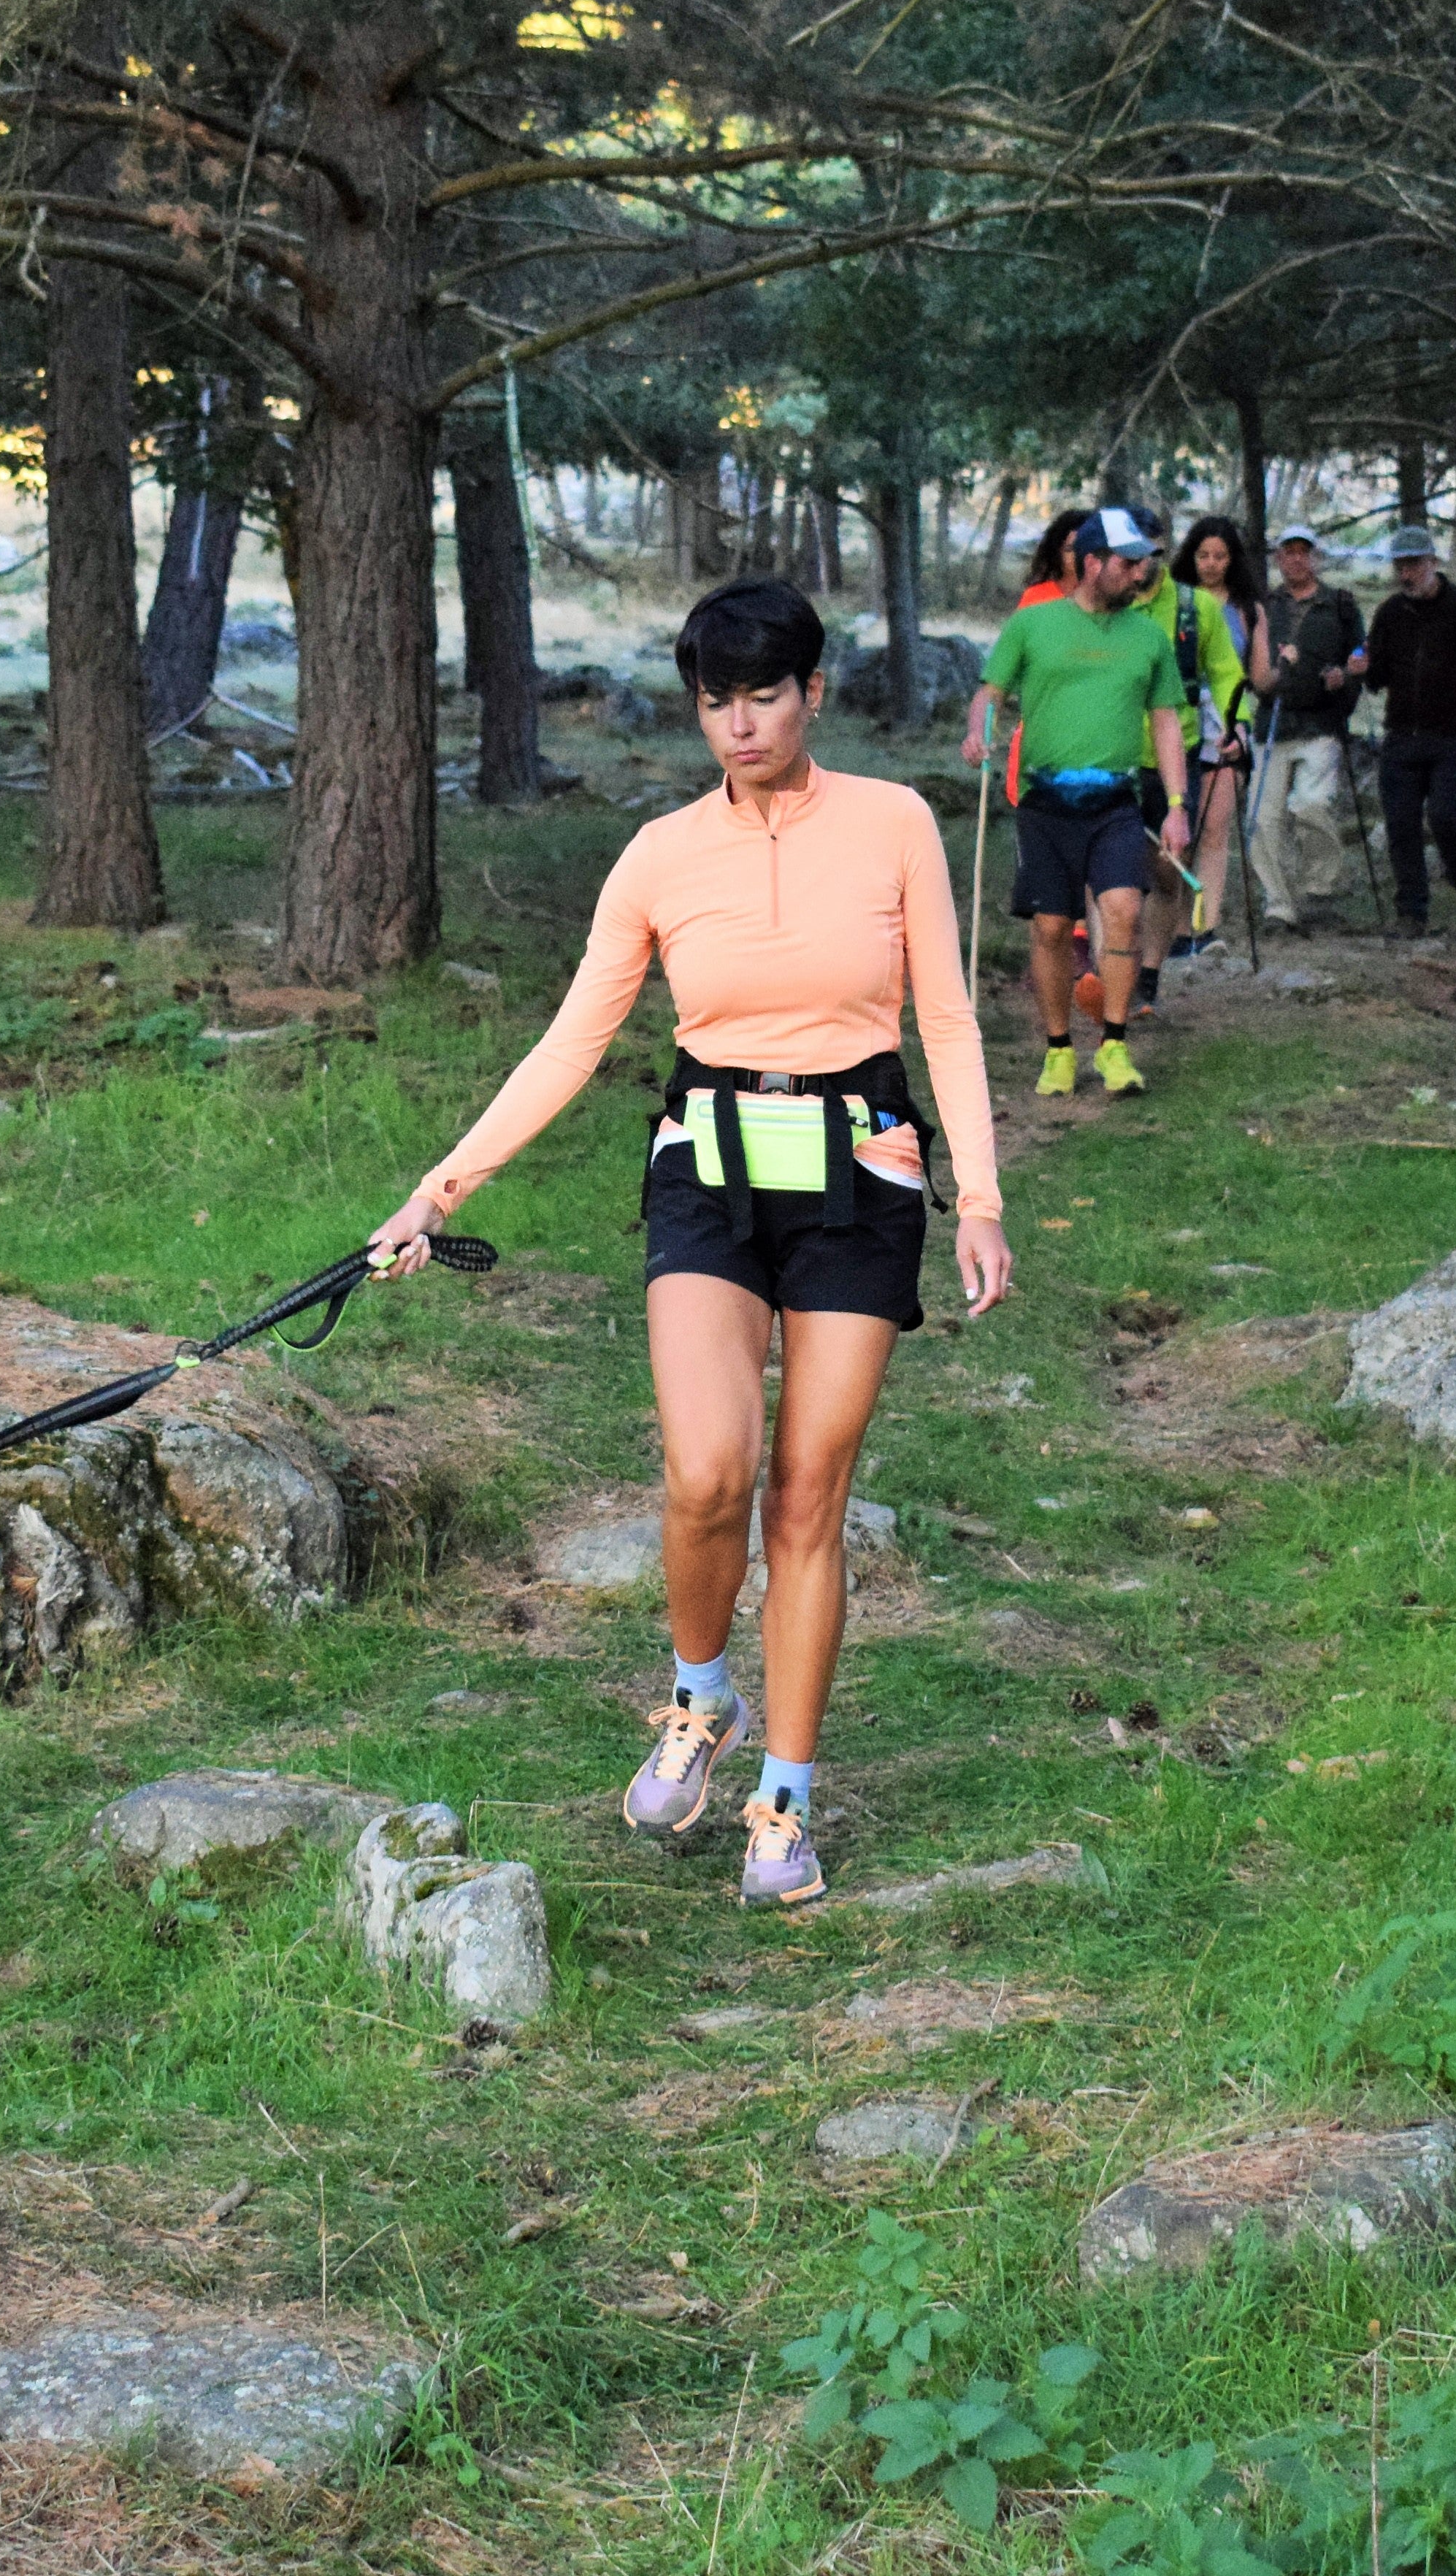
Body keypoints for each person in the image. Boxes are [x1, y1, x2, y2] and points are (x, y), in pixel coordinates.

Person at [371, 580, 1011, 1914]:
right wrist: (440, 1189)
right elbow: (574, 1037)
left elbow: (946, 1019)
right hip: (708, 1172)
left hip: (863, 1169)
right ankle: (698, 1695)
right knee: (709, 1472)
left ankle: (784, 1797)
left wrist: (987, 1201)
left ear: (814, 694)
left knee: (807, 1497)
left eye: (764, 694)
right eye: (717, 700)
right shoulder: (659, 855)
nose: (740, 724)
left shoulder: (895, 824)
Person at [964, 504, 1189, 1098]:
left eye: (1143, 564)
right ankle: (1059, 1049)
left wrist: (1175, 803)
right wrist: (977, 730)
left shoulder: (1148, 637)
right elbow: (989, 693)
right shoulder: (1034, 625)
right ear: (1093, 563)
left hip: (1117, 800)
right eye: (1128, 563)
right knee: (1052, 926)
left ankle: (1114, 1046)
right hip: (1045, 802)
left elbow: (1166, 722)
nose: (1140, 575)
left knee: (1124, 909)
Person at [1362, 527, 1456, 931]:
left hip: (1451, 734)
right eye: (1401, 566)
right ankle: (1411, 913)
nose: (1408, 574)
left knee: (1445, 818)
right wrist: (1363, 669)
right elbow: (1377, 677)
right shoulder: (1389, 613)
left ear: (1433, 564)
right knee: (1401, 824)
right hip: (1401, 734)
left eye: (1415, 564)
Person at [1250, 525, 1368, 929]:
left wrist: (1344, 678)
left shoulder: (1341, 605)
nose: (1296, 560)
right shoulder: (1263, 606)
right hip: (1272, 723)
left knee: (1312, 806)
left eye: (1304, 552)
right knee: (1263, 819)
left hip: (1321, 723)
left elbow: (1359, 654)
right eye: (1288, 553)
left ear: (1316, 558)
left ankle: (1319, 891)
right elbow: (1248, 661)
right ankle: (1278, 905)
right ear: (1278, 559)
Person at [1162, 517, 1260, 957]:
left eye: (1221, 556)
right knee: (1184, 829)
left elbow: (1257, 675)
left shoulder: (1249, 610)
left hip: (1227, 722)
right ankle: (1176, 925)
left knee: (1216, 830)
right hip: (1179, 723)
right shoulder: (1174, 601)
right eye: (1204, 555)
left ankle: (1206, 926)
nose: (1212, 564)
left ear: (1233, 559)